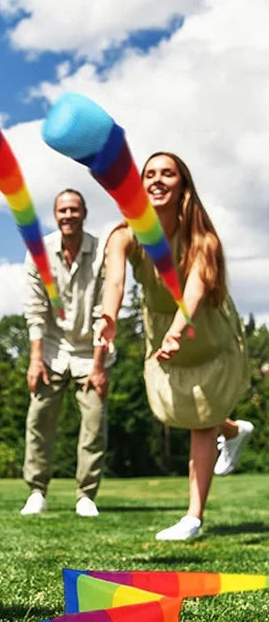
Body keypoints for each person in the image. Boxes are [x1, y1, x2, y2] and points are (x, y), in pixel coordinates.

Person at [99, 152, 251, 541]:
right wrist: (109, 317)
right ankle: (231, 430)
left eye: (168, 173)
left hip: (206, 329)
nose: (157, 180)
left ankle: (193, 518)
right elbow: (115, 283)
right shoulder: (125, 235)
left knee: (200, 420)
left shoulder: (202, 238)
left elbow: (197, 289)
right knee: (182, 411)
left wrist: (179, 330)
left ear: (183, 184)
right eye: (150, 174)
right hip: (161, 327)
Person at [20, 189, 113, 518]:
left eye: (74, 209)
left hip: (92, 351)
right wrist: (35, 360)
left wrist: (99, 367)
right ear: (55, 215)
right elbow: (35, 310)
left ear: (84, 213)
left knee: (93, 422)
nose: (68, 215)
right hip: (52, 349)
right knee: (39, 419)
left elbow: (106, 311)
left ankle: (86, 495)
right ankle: (37, 492)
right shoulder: (40, 252)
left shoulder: (103, 251)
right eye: (62, 210)